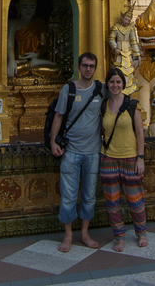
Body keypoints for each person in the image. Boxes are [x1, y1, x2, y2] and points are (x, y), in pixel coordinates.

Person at [49, 52, 104, 253]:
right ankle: (68, 235)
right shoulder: (69, 89)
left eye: (91, 65)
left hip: (93, 152)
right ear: (78, 67)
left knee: (89, 195)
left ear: (95, 68)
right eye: (85, 65)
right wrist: (53, 141)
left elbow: (116, 104)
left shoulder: (101, 89)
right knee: (68, 195)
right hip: (71, 150)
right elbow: (58, 116)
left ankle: (85, 233)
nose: (88, 69)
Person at [100, 67, 147, 251]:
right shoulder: (104, 105)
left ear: (123, 84)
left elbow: (140, 133)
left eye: (118, 82)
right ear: (107, 84)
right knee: (112, 202)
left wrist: (140, 158)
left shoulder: (132, 105)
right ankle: (119, 236)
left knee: (135, 199)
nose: (115, 85)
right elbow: (101, 131)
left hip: (130, 158)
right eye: (112, 82)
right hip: (109, 158)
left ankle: (141, 233)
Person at [6, 0, 60, 78]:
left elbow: (44, 46)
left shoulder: (39, 23)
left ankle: (34, 63)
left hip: (36, 60)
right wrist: (11, 60)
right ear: (18, 7)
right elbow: (9, 45)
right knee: (11, 71)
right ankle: (33, 64)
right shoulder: (12, 23)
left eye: (32, 7)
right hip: (19, 62)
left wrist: (36, 54)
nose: (28, 10)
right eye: (24, 7)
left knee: (57, 70)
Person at [108, 7, 140, 96]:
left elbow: (133, 41)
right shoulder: (116, 27)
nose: (126, 21)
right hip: (119, 53)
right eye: (125, 19)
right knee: (119, 70)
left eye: (128, 20)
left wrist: (138, 55)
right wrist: (114, 48)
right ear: (122, 18)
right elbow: (111, 39)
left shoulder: (131, 28)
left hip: (128, 53)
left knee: (129, 72)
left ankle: (129, 92)